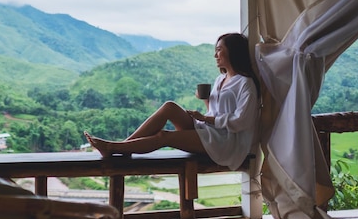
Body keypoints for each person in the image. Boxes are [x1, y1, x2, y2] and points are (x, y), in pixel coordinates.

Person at [84, 33, 261, 171]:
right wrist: (206, 102)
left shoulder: (245, 83)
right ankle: (124, 146)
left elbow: (241, 122)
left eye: (219, 49)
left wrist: (205, 119)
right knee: (170, 107)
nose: (215, 54)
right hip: (210, 131)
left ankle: (112, 147)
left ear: (233, 51)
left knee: (164, 136)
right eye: (215, 50)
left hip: (226, 142)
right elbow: (214, 112)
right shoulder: (220, 80)